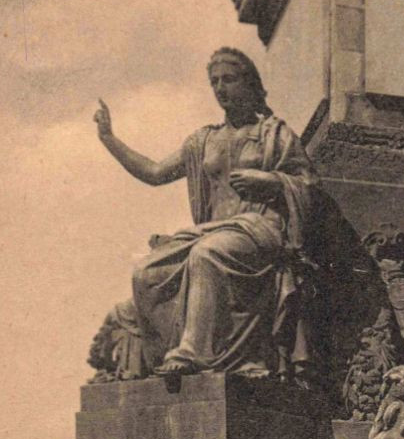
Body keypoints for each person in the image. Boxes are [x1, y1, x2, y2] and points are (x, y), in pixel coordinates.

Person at [94, 47, 318, 380]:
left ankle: (194, 352)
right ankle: (162, 359)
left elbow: (309, 184)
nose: (220, 88)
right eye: (214, 82)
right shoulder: (203, 140)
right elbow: (155, 172)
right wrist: (109, 139)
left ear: (250, 83)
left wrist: (270, 180)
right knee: (147, 272)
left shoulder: (275, 134)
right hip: (216, 230)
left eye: (229, 79)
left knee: (206, 255)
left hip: (259, 229)